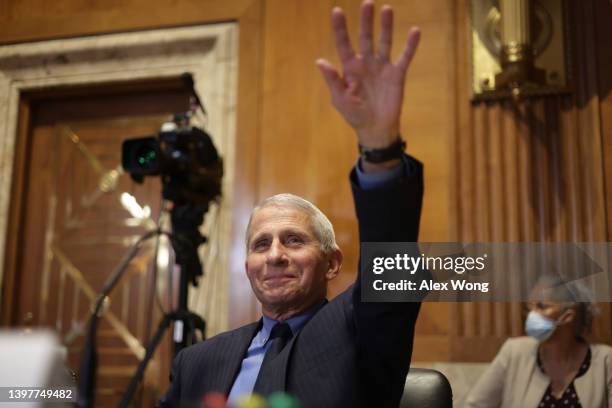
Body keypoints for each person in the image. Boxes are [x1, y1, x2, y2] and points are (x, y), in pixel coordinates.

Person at [158, 1, 424, 406]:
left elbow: (393, 270)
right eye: (260, 244)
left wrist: (380, 145)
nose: (275, 255)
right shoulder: (197, 362)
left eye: (294, 240)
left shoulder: (359, 333)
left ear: (332, 262)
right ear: (247, 265)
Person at [466, 275, 612, 407]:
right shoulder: (514, 352)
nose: (532, 314)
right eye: (530, 306)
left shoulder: (606, 360)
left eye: (542, 306)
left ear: (567, 316)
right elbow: (475, 405)